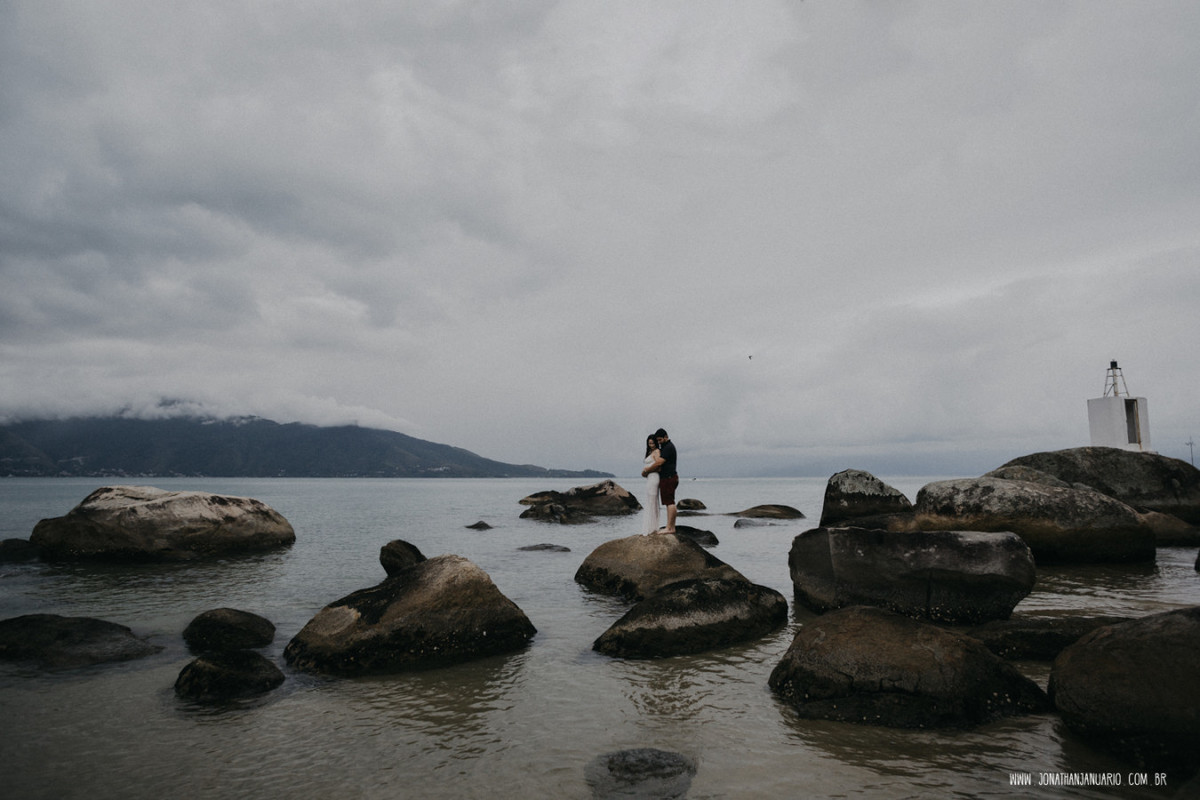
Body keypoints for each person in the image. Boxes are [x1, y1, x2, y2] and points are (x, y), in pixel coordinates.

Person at [641, 427, 678, 534]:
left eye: (660, 440)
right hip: (666, 477)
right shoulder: (666, 447)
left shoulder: (668, 448)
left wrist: (647, 470)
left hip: (669, 477)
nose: (658, 442)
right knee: (668, 502)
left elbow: (658, 463)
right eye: (657, 441)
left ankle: (670, 528)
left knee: (669, 502)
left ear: (666, 437)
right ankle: (669, 527)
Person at [640, 434, 661, 535]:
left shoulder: (657, 451)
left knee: (653, 501)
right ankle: (650, 526)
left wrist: (647, 470)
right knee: (649, 500)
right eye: (649, 443)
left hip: (654, 478)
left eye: (652, 443)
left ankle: (653, 527)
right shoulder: (650, 452)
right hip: (649, 478)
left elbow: (659, 466)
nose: (651, 444)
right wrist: (645, 473)